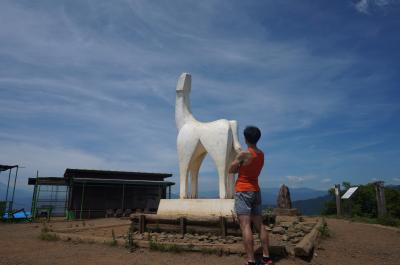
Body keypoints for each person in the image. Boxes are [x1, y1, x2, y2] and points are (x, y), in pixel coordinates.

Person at [229, 126, 273, 265]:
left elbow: (231, 170)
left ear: (246, 138)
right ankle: (266, 258)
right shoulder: (261, 154)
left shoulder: (244, 154)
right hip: (255, 190)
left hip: (243, 190)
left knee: (245, 225)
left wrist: (237, 161)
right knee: (260, 225)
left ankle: (251, 260)